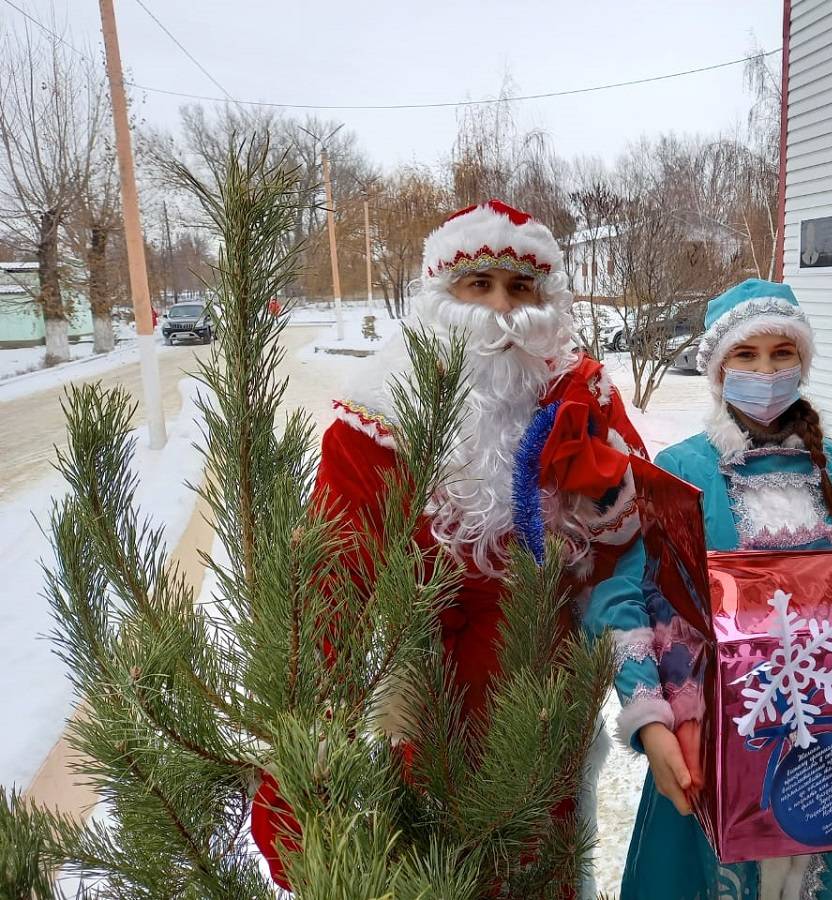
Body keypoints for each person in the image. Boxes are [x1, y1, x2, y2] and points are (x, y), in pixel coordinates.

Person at [251, 199, 647, 888]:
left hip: (550, 702)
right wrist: (306, 762)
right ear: (442, 297)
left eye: (521, 288)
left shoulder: (581, 399)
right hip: (434, 712)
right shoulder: (376, 417)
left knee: (545, 876)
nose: (500, 308)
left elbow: (642, 550)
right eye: (479, 284)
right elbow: (331, 585)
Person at [585, 279, 832, 899]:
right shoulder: (681, 471)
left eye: (781, 353)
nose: (766, 371)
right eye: (746, 355)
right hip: (716, 744)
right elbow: (620, 596)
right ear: (718, 369)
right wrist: (650, 722)